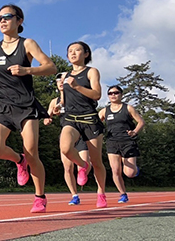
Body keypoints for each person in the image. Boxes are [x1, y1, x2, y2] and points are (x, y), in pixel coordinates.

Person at [0, 4, 57, 213]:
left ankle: (39, 197)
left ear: (19, 21)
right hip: (2, 104)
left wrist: (27, 69)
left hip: (26, 105)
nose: (2, 21)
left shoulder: (27, 44)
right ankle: (19, 160)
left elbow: (51, 67)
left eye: (7, 17)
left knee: (33, 152)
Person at [59, 41, 108, 208]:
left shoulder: (91, 72)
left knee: (97, 161)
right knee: (65, 148)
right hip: (71, 118)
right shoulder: (65, 76)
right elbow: (65, 100)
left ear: (86, 54)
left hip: (89, 119)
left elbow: (97, 94)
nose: (73, 53)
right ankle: (82, 165)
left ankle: (101, 192)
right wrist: (59, 101)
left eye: (77, 50)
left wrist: (77, 86)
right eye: (70, 51)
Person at [44, 73, 91, 206]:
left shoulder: (75, 96)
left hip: (80, 134)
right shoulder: (54, 101)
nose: (60, 82)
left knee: (82, 166)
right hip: (66, 135)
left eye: (63, 80)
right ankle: (74, 195)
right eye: (58, 80)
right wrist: (48, 119)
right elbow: (48, 115)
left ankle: (87, 166)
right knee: (67, 167)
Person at [98, 85, 145, 203]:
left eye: (116, 92)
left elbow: (141, 122)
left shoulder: (128, 108)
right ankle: (123, 194)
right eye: (110, 93)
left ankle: (135, 169)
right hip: (112, 142)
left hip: (127, 141)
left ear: (121, 94)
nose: (113, 95)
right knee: (115, 170)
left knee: (129, 173)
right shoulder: (104, 111)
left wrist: (134, 132)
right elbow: (96, 124)